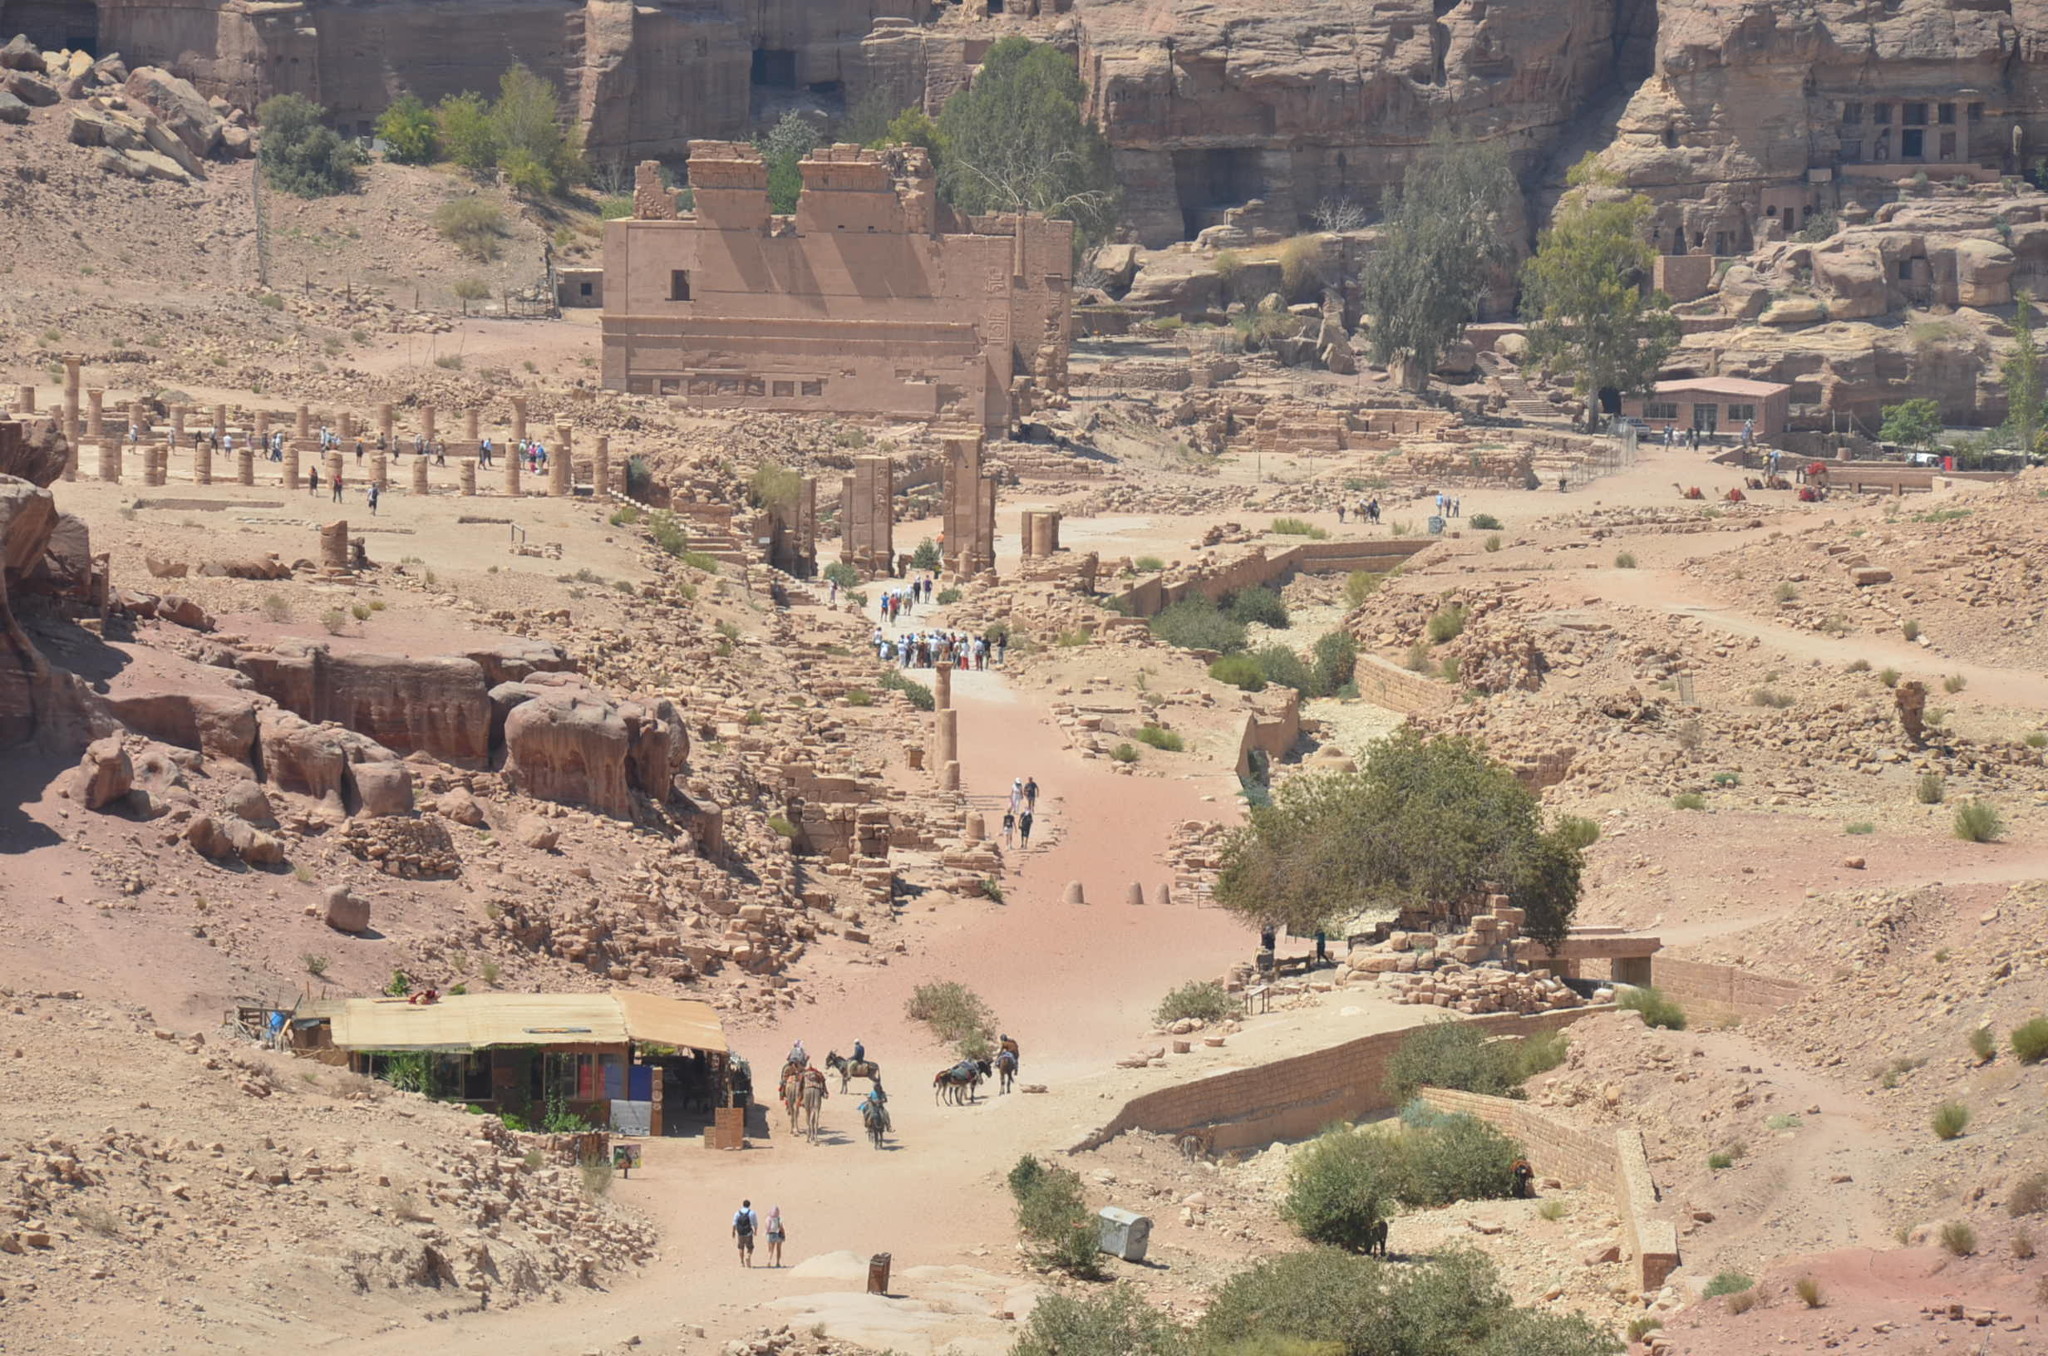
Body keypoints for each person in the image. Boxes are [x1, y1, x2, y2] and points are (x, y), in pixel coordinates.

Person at [732, 1199, 758, 1266]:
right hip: (748, 1232)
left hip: (740, 1233)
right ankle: (748, 1255)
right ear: (749, 1205)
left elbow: (734, 1223)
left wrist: (733, 1232)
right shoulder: (752, 1213)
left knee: (741, 1247)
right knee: (750, 1247)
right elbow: (755, 1223)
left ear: (743, 1205)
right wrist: (755, 1231)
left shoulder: (737, 1213)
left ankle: (742, 1262)